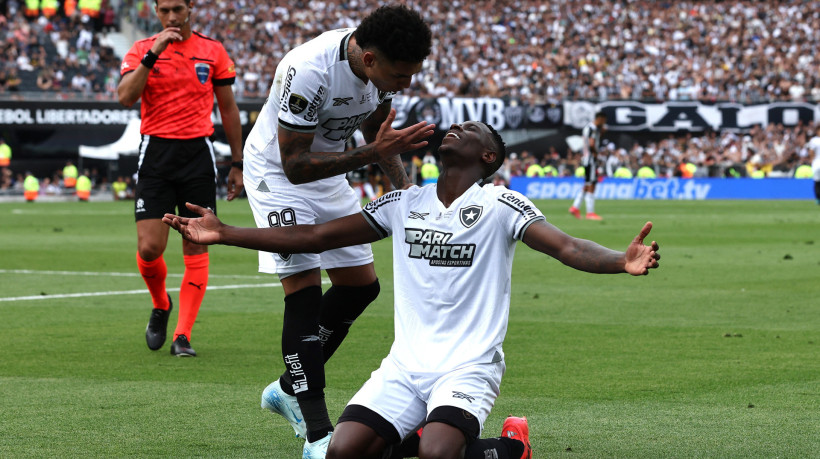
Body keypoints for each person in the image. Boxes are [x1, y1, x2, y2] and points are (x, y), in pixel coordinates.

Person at [164, 120, 661, 459]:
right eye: (455, 124)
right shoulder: (404, 202)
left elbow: (568, 246)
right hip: (405, 365)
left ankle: (511, 447)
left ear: (487, 156)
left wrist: (621, 261)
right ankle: (420, 433)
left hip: (468, 363)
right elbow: (315, 236)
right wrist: (225, 232)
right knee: (342, 450)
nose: (456, 128)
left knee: (438, 452)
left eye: (470, 130)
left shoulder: (502, 205)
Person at [241, 4, 433, 456]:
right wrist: (371, 156)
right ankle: (317, 435)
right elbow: (295, 166)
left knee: (360, 287)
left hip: (326, 174)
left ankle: (289, 387)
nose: (406, 85)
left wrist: (406, 193)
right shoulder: (308, 71)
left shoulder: (375, 72)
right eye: (401, 76)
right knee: (304, 292)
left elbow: (373, 131)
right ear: (370, 60)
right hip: (278, 178)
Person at [117, 0, 244, 357]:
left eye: (178, 8)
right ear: (155, 12)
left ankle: (182, 336)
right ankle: (161, 304)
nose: (172, 17)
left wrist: (238, 162)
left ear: (191, 7)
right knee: (149, 248)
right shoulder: (142, 50)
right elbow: (126, 97)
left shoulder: (212, 51)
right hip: (156, 154)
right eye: (164, 10)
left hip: (197, 156)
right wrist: (153, 54)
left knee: (197, 242)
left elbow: (228, 108)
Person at [569, 112, 607, 220]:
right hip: (590, 159)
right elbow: (591, 143)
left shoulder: (587, 128)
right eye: (604, 121)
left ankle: (575, 207)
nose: (604, 123)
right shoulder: (593, 128)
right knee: (592, 184)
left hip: (585, 159)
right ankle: (590, 213)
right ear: (600, 118)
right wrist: (595, 154)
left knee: (587, 184)